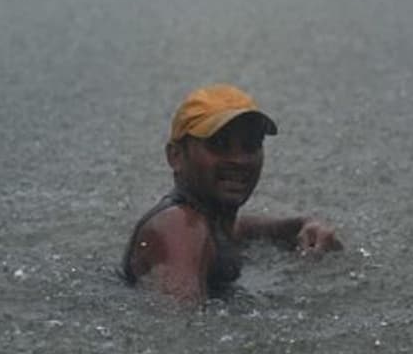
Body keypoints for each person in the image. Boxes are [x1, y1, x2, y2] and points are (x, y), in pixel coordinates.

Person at [120, 84, 342, 302]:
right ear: (175, 156)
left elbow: (242, 228)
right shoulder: (180, 227)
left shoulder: (210, 222)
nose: (238, 160)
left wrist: (302, 225)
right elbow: (179, 323)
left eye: (250, 145)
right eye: (219, 144)